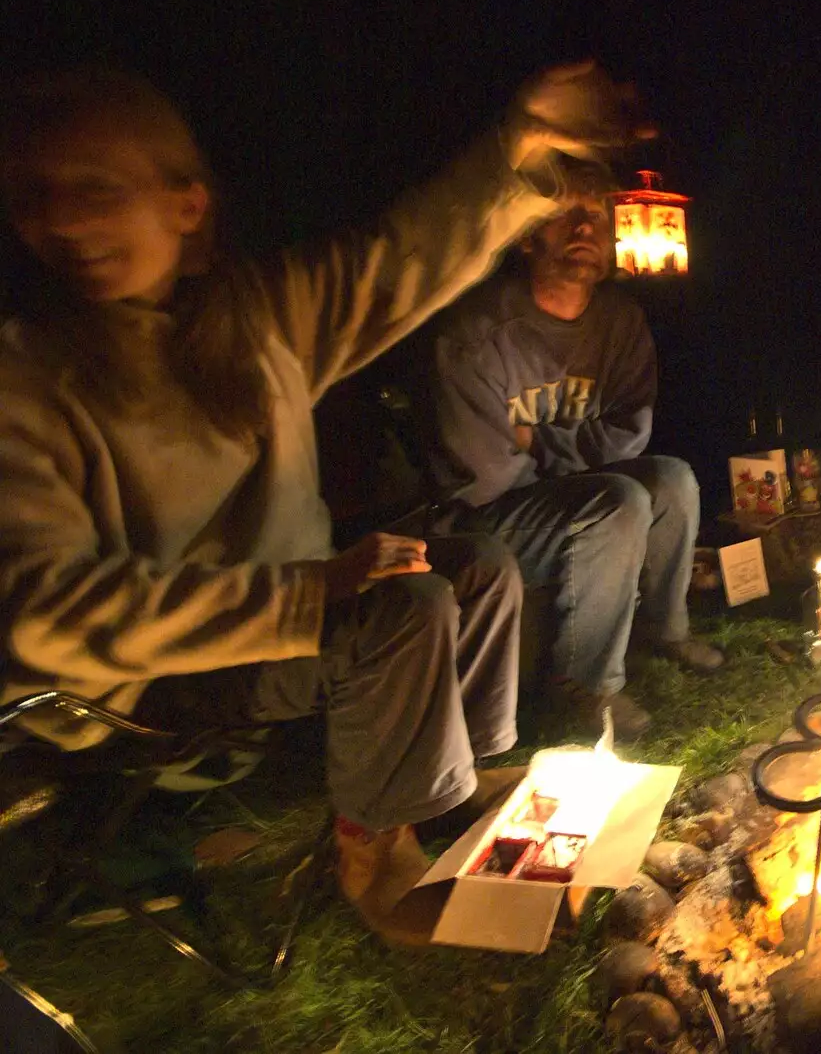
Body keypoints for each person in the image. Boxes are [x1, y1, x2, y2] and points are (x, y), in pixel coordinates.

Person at [0, 62, 646, 945]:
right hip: (141, 682)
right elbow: (42, 616)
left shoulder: (250, 318)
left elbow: (401, 258)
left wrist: (521, 151)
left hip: (277, 613)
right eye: (37, 195)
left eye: (94, 190)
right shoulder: (28, 378)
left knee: (478, 565)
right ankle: (375, 855)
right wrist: (312, 594)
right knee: (404, 608)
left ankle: (463, 778)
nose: (63, 221)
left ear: (186, 205)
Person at [420, 160, 722, 742]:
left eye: (598, 216)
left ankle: (667, 629)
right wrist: (575, 466)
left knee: (672, 478)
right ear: (529, 234)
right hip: (484, 520)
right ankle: (586, 684)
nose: (585, 228)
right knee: (616, 502)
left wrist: (542, 443)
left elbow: (630, 430)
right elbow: (487, 473)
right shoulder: (476, 335)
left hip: (557, 485)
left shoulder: (620, 322)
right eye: (565, 215)